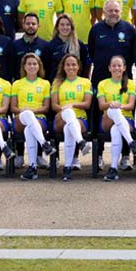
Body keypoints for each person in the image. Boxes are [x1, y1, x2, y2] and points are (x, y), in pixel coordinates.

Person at [11, 53, 56, 180]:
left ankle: (32, 167)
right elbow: (13, 108)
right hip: (20, 118)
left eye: (34, 64)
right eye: (29, 64)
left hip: (38, 119)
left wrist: (31, 111)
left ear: (39, 66)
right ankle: (44, 144)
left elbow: (46, 108)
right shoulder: (17, 84)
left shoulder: (45, 83)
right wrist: (24, 111)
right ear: (24, 67)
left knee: (29, 129)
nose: (32, 66)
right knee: (26, 115)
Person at [97, 56, 136, 181]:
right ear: (109, 68)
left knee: (116, 130)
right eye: (114, 66)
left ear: (124, 68)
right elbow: (101, 105)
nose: (117, 68)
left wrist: (119, 105)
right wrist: (111, 104)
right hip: (107, 119)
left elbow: (131, 106)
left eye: (119, 66)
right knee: (112, 109)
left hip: (126, 120)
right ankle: (131, 143)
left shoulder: (131, 84)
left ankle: (113, 169)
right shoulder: (102, 83)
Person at [52, 53, 93, 181]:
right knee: (68, 115)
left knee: (69, 128)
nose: (71, 67)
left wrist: (71, 105)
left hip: (80, 120)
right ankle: (81, 142)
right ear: (63, 67)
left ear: (78, 66)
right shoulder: (57, 82)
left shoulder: (85, 82)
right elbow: (54, 105)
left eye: (73, 64)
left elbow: (87, 104)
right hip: (60, 118)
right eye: (68, 64)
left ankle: (67, 167)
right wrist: (65, 109)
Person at [88, 0, 136, 87]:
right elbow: (91, 51)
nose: (113, 13)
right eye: (110, 11)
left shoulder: (129, 29)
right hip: (100, 76)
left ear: (121, 11)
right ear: (104, 12)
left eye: (116, 11)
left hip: (123, 77)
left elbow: (134, 53)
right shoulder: (96, 29)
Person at [47, 14, 90, 81]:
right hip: (56, 83)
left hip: (75, 84)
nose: (65, 27)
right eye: (62, 25)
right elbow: (47, 68)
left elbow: (85, 66)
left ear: (72, 27)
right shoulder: (51, 45)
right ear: (57, 27)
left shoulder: (79, 45)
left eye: (68, 25)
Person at [13, 12, 50, 78]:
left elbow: (47, 68)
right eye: (28, 23)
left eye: (33, 24)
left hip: (39, 85)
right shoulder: (14, 45)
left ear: (38, 26)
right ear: (23, 25)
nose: (30, 26)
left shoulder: (45, 46)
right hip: (19, 85)